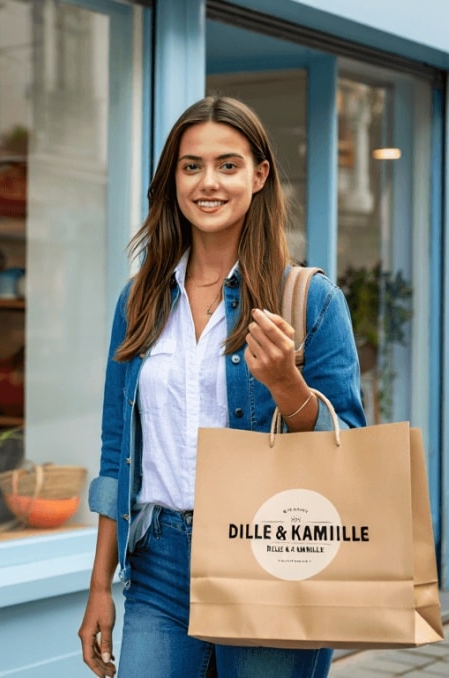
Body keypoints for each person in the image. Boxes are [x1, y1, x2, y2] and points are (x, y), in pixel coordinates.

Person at [78, 96, 366, 677]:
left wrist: (290, 389)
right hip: (157, 562)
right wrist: (99, 586)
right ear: (173, 179)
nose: (208, 183)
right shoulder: (139, 301)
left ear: (259, 176)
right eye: (191, 166)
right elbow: (117, 450)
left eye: (228, 165)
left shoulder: (310, 301)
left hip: (270, 557)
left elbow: (351, 445)